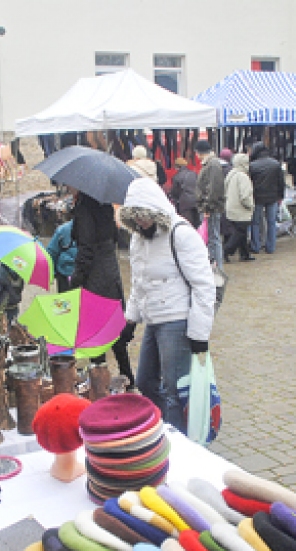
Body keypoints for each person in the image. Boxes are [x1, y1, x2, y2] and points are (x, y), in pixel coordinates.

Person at [119, 177, 216, 433]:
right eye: (135, 219)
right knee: (145, 381)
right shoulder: (138, 239)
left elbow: (204, 285)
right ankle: (164, 428)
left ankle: (178, 444)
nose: (141, 223)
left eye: (144, 217)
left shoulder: (181, 234)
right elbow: (139, 283)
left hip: (177, 319)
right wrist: (129, 321)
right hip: (153, 319)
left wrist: (199, 335)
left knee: (175, 389)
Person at [70, 189, 134, 387]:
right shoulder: (104, 205)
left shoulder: (84, 209)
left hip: (95, 277)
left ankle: (99, 382)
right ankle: (128, 378)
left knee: (95, 332)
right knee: (113, 328)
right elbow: (114, 236)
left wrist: (77, 280)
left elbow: (86, 249)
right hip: (110, 272)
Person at [248, 142, 286, 254]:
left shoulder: (252, 166)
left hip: (257, 197)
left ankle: (256, 246)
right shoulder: (275, 164)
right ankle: (271, 247)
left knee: (255, 222)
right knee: (271, 222)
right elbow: (281, 182)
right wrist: (280, 196)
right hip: (273, 197)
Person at [196, 140, 226, 268]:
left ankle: (218, 267)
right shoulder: (211, 164)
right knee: (212, 238)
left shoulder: (212, 165)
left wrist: (207, 207)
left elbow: (214, 188)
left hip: (211, 208)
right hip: (210, 207)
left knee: (213, 238)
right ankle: (214, 265)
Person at [223, 153, 256, 262]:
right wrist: (251, 205)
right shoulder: (243, 176)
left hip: (231, 208)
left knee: (241, 232)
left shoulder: (231, 174)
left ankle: (244, 254)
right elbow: (245, 195)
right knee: (240, 233)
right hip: (241, 209)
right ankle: (226, 251)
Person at [46, 220, 77, 292]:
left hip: (65, 272)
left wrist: (52, 273)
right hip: (86, 273)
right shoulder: (95, 230)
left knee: (65, 301)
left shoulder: (63, 229)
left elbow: (52, 252)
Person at [168, 157, 200, 228]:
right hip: (196, 201)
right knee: (196, 224)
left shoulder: (176, 177)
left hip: (185, 204)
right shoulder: (193, 174)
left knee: (187, 225)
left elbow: (175, 193)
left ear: (177, 166)